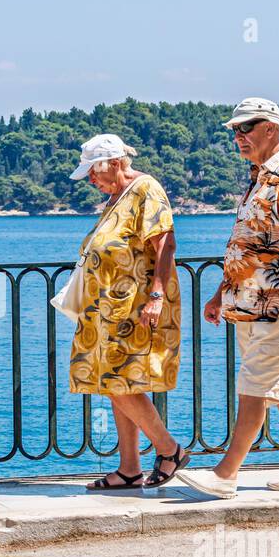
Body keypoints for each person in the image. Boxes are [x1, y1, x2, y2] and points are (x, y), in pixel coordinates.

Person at [176, 98, 279, 500]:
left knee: (255, 387)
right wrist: (219, 294)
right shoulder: (260, 176)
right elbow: (247, 245)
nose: (239, 137)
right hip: (248, 302)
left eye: (246, 128)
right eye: (235, 131)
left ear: (271, 129)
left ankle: (225, 474)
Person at [67, 133, 189, 490]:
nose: (90, 179)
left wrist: (156, 297)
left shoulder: (146, 189)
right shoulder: (118, 196)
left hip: (135, 306)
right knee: (117, 382)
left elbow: (165, 244)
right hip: (110, 309)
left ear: (116, 163)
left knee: (118, 382)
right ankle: (129, 468)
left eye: (93, 171)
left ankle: (169, 450)